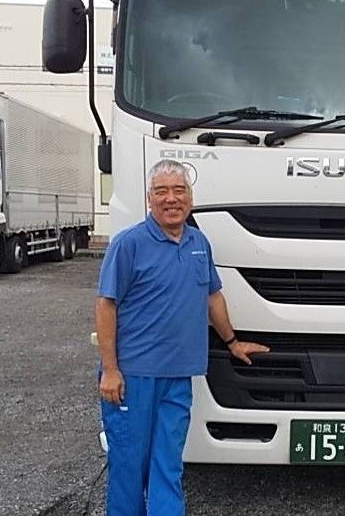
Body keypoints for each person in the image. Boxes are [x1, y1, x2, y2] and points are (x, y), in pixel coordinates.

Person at [95, 159, 269, 515]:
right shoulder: (129, 244)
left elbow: (212, 297)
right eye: (161, 191)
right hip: (134, 378)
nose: (171, 199)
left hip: (178, 377)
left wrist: (232, 341)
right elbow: (106, 304)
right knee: (129, 467)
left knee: (168, 465)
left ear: (190, 198)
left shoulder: (198, 243)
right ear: (149, 198)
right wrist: (110, 370)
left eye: (179, 191)